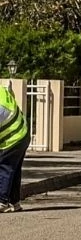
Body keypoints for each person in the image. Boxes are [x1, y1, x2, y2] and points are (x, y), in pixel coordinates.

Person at [0, 86, 29, 214]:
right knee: (14, 170)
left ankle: (2, 201)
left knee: (5, 166)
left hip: (13, 137)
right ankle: (15, 202)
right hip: (22, 134)